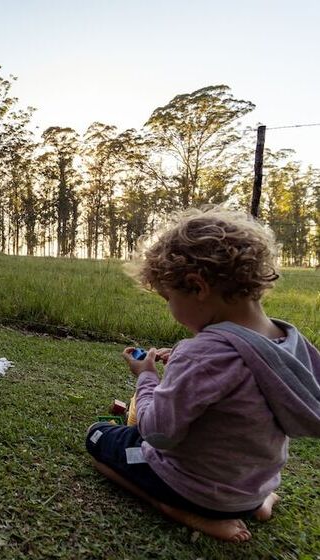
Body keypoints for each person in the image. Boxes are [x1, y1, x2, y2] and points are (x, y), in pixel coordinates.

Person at [85, 206, 320, 542]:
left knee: (98, 437)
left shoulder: (203, 354)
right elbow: (236, 387)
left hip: (194, 491)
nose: (169, 308)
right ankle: (261, 504)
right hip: (251, 488)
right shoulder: (289, 343)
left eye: (168, 297)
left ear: (197, 287)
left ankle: (178, 511)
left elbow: (157, 433)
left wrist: (147, 376)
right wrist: (183, 364)